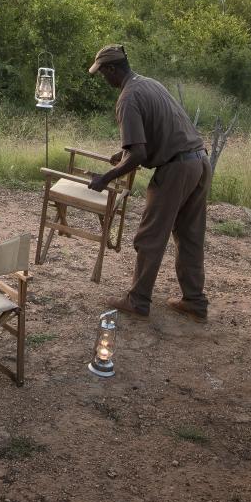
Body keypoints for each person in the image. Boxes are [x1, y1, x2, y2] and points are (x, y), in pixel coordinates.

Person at [84, 44, 210, 322]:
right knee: (190, 235)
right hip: (199, 161)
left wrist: (106, 178)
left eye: (103, 73)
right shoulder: (149, 83)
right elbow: (156, 131)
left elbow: (139, 154)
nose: (104, 80)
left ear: (112, 69)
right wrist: (125, 152)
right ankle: (195, 302)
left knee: (150, 236)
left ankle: (138, 300)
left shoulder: (127, 98)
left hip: (176, 170)